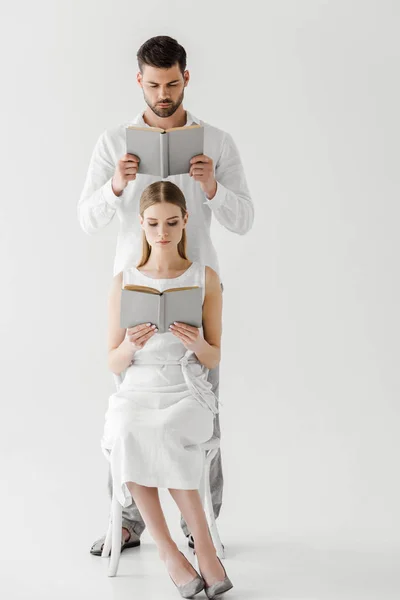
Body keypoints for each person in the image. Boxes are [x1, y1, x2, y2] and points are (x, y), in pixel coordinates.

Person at [78, 35, 253, 555]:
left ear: (186, 78)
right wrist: (115, 186)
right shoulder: (114, 142)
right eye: (153, 84)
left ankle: (200, 525)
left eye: (172, 83)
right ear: (139, 81)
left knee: (203, 399)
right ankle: (126, 522)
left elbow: (245, 219)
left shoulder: (215, 142)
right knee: (128, 405)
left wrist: (214, 186)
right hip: (134, 288)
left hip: (196, 288)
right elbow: (84, 220)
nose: (162, 93)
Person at [101, 180, 233, 598]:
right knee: (126, 430)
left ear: (185, 221)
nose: (163, 232)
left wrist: (196, 344)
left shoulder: (205, 277)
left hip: (185, 386)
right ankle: (169, 553)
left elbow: (213, 358)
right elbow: (112, 361)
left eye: (172, 223)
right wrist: (129, 345)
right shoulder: (124, 281)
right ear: (140, 223)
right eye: (154, 223)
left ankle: (207, 553)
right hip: (138, 387)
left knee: (169, 430)